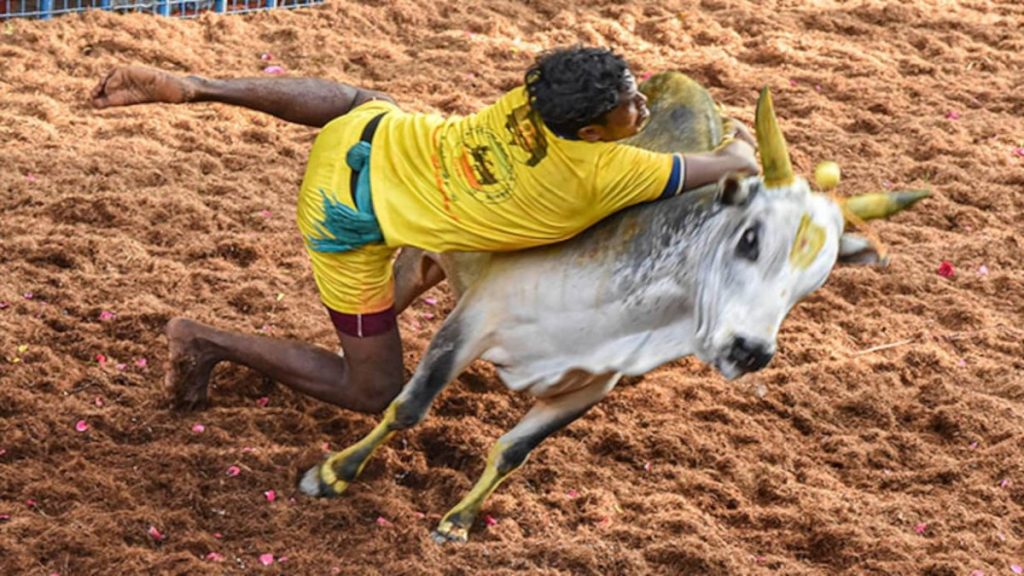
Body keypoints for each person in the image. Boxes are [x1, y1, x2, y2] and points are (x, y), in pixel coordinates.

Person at [90, 46, 758, 415]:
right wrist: (743, 153)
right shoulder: (600, 174)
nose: (643, 107)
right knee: (374, 390)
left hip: (379, 137)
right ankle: (206, 341)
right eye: (627, 106)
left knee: (362, 105)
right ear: (588, 132)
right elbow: (729, 159)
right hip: (343, 218)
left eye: (638, 94)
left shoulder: (536, 97)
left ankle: (198, 86)